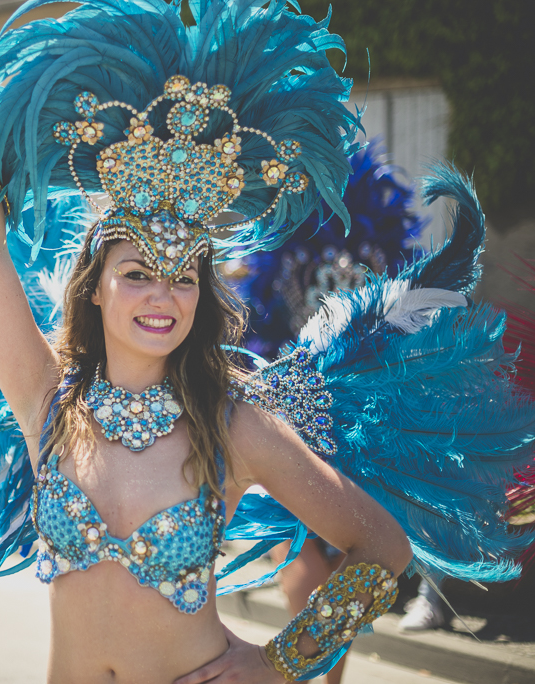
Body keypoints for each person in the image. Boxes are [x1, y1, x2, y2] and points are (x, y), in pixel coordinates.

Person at [0, 1, 533, 682]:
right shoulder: (48, 401)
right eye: (136, 275)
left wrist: (281, 662)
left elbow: (380, 549)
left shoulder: (232, 420)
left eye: (183, 279)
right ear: (95, 288)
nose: (161, 296)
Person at [239, 143, 427, 677]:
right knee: (298, 561)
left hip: (363, 419)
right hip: (289, 412)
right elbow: (259, 319)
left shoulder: (377, 235)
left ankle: (318, 672)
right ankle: (308, 671)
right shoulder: (281, 235)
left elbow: (408, 322)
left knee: (347, 558)